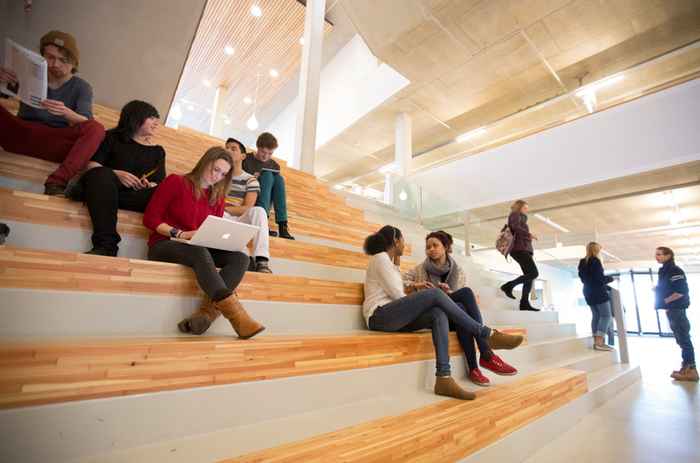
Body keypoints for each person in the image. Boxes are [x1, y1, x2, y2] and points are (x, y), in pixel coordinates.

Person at [363, 225, 524, 400]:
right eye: (402, 240)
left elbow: (396, 290)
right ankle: (486, 334)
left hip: (393, 316)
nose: (404, 244)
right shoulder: (380, 259)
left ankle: (443, 378)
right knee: (435, 295)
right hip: (379, 316)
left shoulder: (389, 261)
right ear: (396, 241)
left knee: (438, 313)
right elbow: (398, 296)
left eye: (435, 246)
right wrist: (424, 297)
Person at [143, 147, 264, 339]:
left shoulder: (217, 198)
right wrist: (181, 234)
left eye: (223, 174)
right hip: (164, 243)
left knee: (241, 259)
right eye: (215, 169)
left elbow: (211, 231)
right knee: (199, 251)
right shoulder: (176, 181)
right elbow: (151, 219)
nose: (217, 176)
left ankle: (205, 314)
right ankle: (237, 316)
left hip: (197, 246)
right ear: (205, 162)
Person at [404, 231, 518, 387]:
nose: (431, 249)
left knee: (461, 305)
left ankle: (475, 368)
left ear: (445, 247)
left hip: (455, 314)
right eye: (428, 247)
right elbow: (401, 282)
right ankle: (486, 355)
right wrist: (417, 285)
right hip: (434, 314)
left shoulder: (458, 272)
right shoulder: (419, 270)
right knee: (465, 295)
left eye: (435, 245)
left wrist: (448, 293)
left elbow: (460, 299)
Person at [0, 30, 105, 196]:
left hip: (56, 142)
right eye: (50, 57)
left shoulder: (82, 87)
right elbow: (5, 94)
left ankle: (56, 182)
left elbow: (85, 122)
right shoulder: (27, 72)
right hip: (23, 133)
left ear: (73, 63)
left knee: (96, 129)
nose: (55, 64)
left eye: (63, 60)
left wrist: (65, 113)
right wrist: (2, 82)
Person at [76, 100, 165, 256]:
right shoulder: (112, 137)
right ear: (136, 118)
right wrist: (116, 173)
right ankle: (107, 245)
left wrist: (148, 184)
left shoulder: (158, 151)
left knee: (169, 188)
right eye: (151, 117)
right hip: (105, 192)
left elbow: (160, 183)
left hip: (136, 197)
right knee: (100, 174)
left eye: (156, 118)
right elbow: (91, 166)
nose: (156, 122)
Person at [224, 137, 272, 273]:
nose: (228, 151)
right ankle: (243, 258)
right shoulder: (218, 174)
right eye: (226, 148)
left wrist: (225, 208)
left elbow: (247, 208)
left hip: (237, 218)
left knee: (259, 211)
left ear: (243, 156)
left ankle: (262, 260)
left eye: (233, 149)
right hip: (218, 216)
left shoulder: (250, 180)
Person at [655, 246, 697, 382]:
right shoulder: (665, 271)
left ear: (668, 256)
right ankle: (686, 368)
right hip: (672, 310)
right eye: (656, 254)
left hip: (677, 309)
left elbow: (681, 291)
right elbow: (670, 287)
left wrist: (666, 300)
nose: (657, 257)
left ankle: (691, 370)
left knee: (684, 339)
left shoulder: (674, 270)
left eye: (660, 254)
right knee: (681, 339)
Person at [242, 132, 294, 240]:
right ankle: (263, 222)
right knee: (267, 176)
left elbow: (276, 189)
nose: (266, 156)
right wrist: (252, 177)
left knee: (279, 179)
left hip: (266, 197)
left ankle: (282, 225)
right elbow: (238, 178)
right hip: (252, 195)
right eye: (263, 152)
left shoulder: (274, 165)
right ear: (257, 147)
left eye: (270, 153)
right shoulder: (246, 159)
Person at [500, 199, 540, 311]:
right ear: (519, 207)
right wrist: (529, 234)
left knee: (529, 277)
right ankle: (508, 286)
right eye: (525, 207)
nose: (527, 210)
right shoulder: (515, 214)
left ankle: (524, 303)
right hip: (519, 249)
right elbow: (515, 227)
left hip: (524, 249)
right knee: (534, 273)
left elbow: (519, 230)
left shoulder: (521, 217)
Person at [578, 242, 615, 351]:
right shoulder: (595, 261)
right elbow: (599, 279)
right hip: (598, 292)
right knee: (606, 316)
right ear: (596, 250)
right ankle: (599, 342)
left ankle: (596, 342)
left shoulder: (582, 262)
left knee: (596, 316)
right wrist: (610, 279)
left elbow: (585, 279)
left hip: (587, 292)